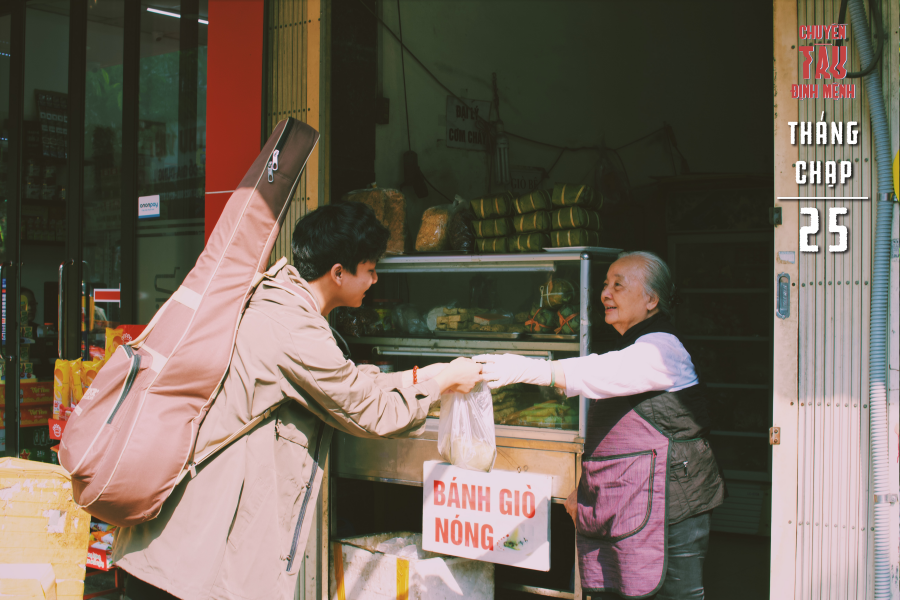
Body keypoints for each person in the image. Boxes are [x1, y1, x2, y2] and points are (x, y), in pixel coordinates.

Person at [113, 202, 483, 600]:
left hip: (169, 549)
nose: (375, 280)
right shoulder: (294, 329)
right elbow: (371, 413)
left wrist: (420, 376)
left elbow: (344, 382)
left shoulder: (271, 299)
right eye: (371, 269)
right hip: (190, 563)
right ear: (338, 273)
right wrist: (442, 382)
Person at [476, 251, 724, 600]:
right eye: (605, 285)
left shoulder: (661, 349)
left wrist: (520, 368)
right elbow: (617, 431)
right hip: (634, 498)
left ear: (651, 299)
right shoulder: (633, 343)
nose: (605, 294)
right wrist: (585, 488)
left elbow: (597, 372)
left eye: (618, 286)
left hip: (673, 505)